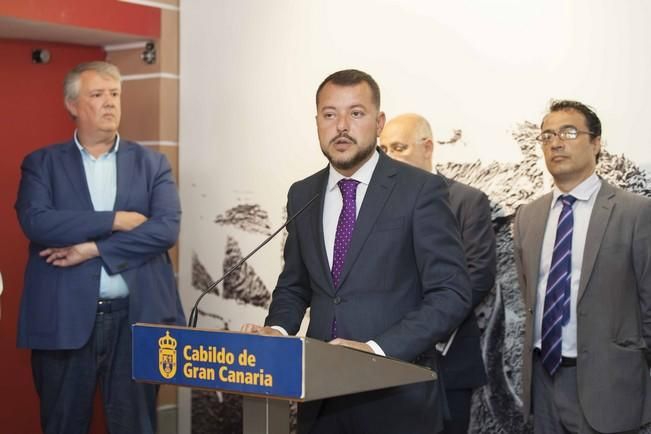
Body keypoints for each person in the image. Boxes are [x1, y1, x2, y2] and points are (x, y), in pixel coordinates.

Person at [241, 69, 471, 434]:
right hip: (319, 399)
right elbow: (296, 284)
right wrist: (279, 332)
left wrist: (377, 349)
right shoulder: (303, 193)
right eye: (330, 114)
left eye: (356, 113)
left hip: (396, 396)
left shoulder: (419, 190)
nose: (342, 126)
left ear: (379, 122)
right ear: (317, 122)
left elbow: (451, 292)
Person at [15, 61, 185, 434]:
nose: (109, 103)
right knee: (63, 423)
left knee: (136, 425)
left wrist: (93, 249)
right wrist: (115, 220)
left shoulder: (152, 163)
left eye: (115, 94)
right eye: (97, 95)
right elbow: (38, 222)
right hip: (64, 320)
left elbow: (166, 229)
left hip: (136, 319)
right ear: (73, 105)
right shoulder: (42, 164)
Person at [513, 100, 651, 433]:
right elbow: (529, 295)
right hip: (543, 383)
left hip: (612, 386)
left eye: (568, 132)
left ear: (596, 142)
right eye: (546, 136)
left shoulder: (636, 213)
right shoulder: (528, 217)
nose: (555, 143)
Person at [380, 113, 496, 434]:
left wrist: (422, 326)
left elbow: (478, 274)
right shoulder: (374, 205)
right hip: (382, 362)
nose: (389, 157)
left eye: (399, 147)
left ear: (428, 147)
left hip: (448, 361)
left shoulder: (467, 201)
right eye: (384, 149)